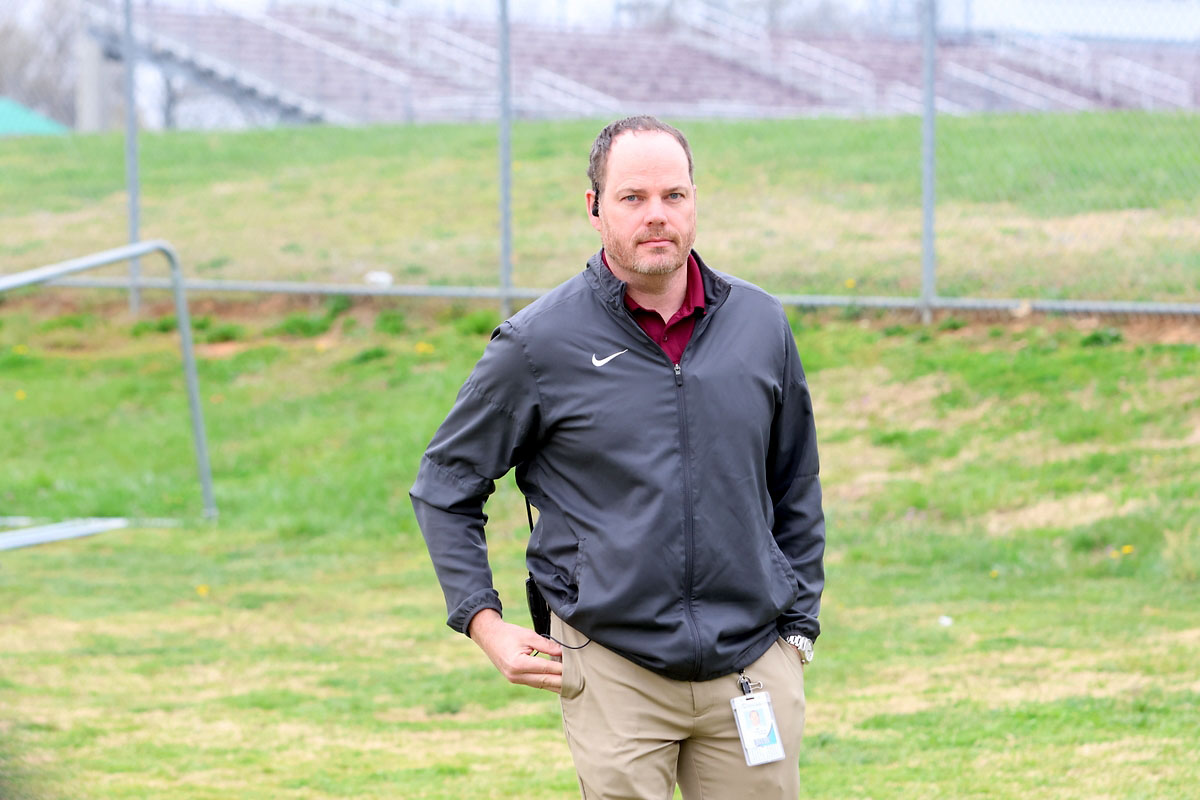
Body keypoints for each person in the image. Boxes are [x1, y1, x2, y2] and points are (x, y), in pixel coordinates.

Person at [411, 115, 825, 800]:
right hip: (612, 668)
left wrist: (798, 630)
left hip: (753, 667)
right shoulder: (537, 345)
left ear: (694, 202)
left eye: (673, 195)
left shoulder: (761, 324)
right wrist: (484, 624)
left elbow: (795, 482)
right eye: (633, 197)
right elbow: (445, 486)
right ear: (595, 207)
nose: (656, 214)